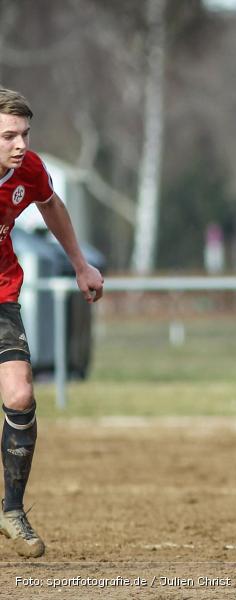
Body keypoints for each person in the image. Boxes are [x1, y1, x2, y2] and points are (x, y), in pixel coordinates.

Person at [0, 88, 104, 558]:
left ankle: (12, 511)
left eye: (24, 134)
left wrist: (80, 264)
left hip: (0, 295)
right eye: (8, 136)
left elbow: (51, 204)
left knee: (21, 394)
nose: (20, 145)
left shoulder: (29, 170)